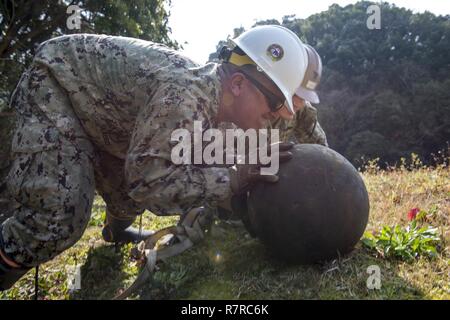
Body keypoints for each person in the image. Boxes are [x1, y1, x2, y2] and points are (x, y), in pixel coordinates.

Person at [0, 25, 326, 290]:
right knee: (59, 219)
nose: (278, 115)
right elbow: (149, 181)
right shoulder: (185, 95)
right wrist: (234, 179)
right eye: (273, 103)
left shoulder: (219, 99)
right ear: (238, 84)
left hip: (107, 117)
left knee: (126, 198)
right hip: (58, 85)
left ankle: (116, 230)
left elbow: (188, 164)